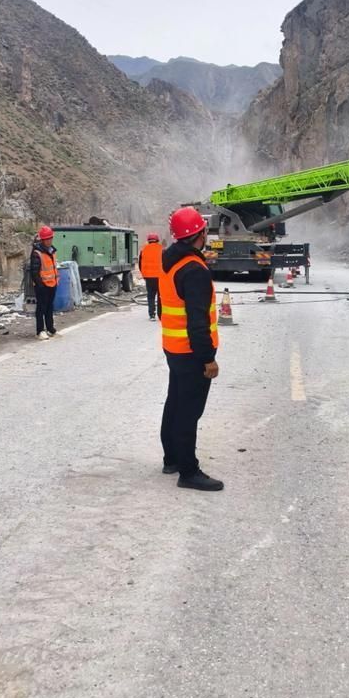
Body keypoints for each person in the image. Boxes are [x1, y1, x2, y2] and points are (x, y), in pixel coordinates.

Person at [158, 206, 223, 492]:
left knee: (175, 403)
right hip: (191, 352)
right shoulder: (194, 270)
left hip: (173, 347)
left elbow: (164, 308)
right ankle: (188, 471)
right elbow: (198, 323)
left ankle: (171, 458)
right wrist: (207, 358)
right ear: (200, 234)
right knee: (189, 411)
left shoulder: (170, 262)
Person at [30, 225, 60, 341]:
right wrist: (39, 284)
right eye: (48, 239)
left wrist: (56, 281)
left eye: (51, 238)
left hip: (52, 283)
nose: (50, 241)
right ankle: (40, 331)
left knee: (49, 307)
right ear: (43, 240)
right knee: (41, 308)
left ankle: (50, 328)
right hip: (42, 285)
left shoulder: (51, 250)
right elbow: (34, 271)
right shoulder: (37, 253)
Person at [138, 232, 162, 320]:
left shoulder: (143, 250)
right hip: (160, 277)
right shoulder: (161, 249)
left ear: (148, 241)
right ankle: (161, 315)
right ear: (157, 240)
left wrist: (144, 274)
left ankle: (152, 315)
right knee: (160, 296)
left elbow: (140, 264)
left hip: (148, 277)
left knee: (151, 296)